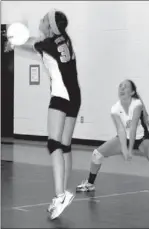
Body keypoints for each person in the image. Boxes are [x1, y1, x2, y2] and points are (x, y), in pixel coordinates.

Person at [5, 9, 81, 219]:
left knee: (53, 144)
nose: (41, 20)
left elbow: (30, 45)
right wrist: (18, 41)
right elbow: (35, 44)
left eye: (44, 19)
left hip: (61, 95)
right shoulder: (63, 40)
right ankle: (63, 193)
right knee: (64, 146)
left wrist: (14, 42)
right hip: (75, 96)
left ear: (50, 26)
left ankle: (60, 194)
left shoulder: (49, 44)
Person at [76, 79, 149, 197]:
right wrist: (124, 148)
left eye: (126, 87)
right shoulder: (115, 108)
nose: (122, 88)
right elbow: (121, 131)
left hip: (142, 139)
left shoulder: (137, 104)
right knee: (96, 155)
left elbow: (133, 128)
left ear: (132, 92)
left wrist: (129, 149)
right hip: (125, 138)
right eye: (120, 86)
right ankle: (90, 183)